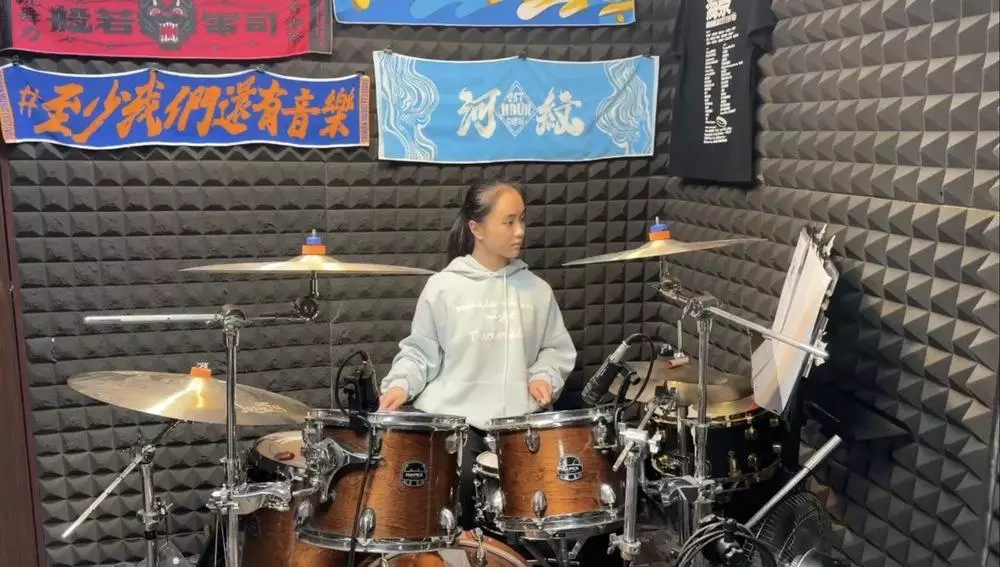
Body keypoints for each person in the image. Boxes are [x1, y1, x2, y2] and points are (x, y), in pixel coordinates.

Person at [377, 179, 577, 530]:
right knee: (451, 518)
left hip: (519, 426)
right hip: (456, 425)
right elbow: (420, 352)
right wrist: (400, 385)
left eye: (522, 220)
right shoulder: (443, 288)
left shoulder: (537, 290)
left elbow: (555, 349)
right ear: (476, 228)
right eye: (509, 222)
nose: (520, 231)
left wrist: (544, 376)